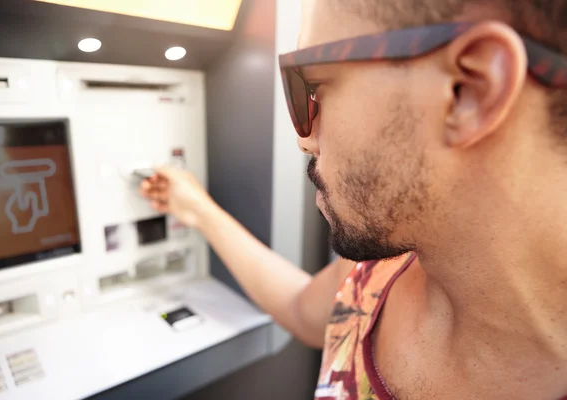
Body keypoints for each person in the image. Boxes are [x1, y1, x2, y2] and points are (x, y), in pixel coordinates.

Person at [141, 0, 567, 398]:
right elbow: (303, 310)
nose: (304, 139)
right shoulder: (385, 264)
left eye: (313, 84)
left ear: (469, 89)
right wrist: (196, 208)